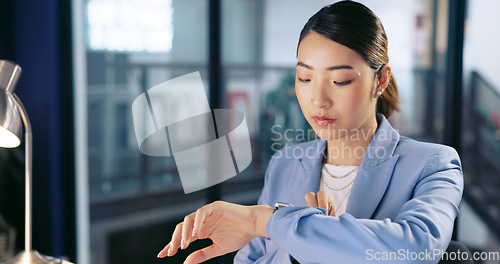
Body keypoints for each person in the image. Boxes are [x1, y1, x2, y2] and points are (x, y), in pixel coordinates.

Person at [157, 1, 463, 263]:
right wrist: (305, 242)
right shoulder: (285, 164)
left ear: (381, 80)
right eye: (305, 78)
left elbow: (414, 250)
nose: (318, 99)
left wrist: (264, 221)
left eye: (340, 80)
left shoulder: (432, 164)